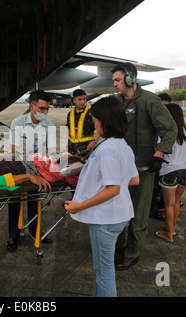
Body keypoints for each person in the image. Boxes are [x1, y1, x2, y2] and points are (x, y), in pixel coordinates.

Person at [64, 97, 139, 297]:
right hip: (118, 216)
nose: (94, 124)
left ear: (105, 121)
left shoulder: (107, 149)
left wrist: (78, 206)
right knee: (103, 271)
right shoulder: (122, 145)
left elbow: (113, 189)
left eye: (95, 120)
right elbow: (133, 179)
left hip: (105, 219)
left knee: (104, 272)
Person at [111, 63, 177, 270]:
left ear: (130, 79)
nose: (114, 84)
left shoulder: (150, 101)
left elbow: (170, 129)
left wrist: (158, 154)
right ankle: (119, 246)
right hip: (120, 166)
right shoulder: (116, 102)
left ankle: (133, 253)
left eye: (117, 80)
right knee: (119, 207)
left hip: (142, 168)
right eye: (113, 80)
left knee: (139, 212)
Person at [7, 89, 56, 251]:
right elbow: (15, 150)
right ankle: (13, 236)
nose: (45, 112)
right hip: (19, 167)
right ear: (32, 106)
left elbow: (50, 151)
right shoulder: (18, 122)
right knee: (14, 201)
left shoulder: (49, 125)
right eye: (42, 108)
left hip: (38, 170)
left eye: (47, 108)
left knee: (35, 202)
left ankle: (34, 233)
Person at [155, 104, 186, 243]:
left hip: (170, 170)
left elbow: (160, 151)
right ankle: (173, 229)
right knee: (176, 201)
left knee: (169, 204)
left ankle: (168, 234)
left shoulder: (166, 132)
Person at [66, 89, 95, 155]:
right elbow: (68, 129)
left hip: (86, 149)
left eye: (84, 99)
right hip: (71, 149)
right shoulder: (70, 113)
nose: (83, 102)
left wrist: (94, 141)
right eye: (80, 100)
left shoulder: (90, 113)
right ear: (74, 100)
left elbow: (100, 128)